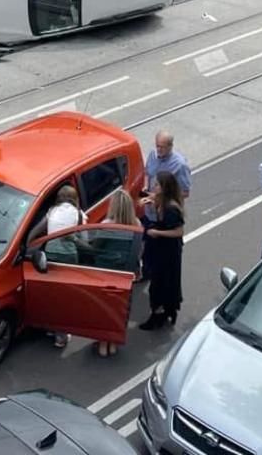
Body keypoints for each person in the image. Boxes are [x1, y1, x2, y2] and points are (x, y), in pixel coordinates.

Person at [29, 184, 86, 348]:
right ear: (75, 199)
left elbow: (36, 230)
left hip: (51, 256)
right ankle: (61, 336)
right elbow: (85, 239)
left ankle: (50, 328)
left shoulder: (52, 211)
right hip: (69, 258)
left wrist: (27, 245)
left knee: (52, 293)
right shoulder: (79, 215)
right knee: (66, 296)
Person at [139, 171, 185, 330]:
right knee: (164, 282)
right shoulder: (163, 201)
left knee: (159, 284)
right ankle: (168, 311)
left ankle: (158, 316)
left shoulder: (171, 208)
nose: (154, 186)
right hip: (164, 249)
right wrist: (150, 201)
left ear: (165, 187)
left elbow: (179, 231)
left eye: (157, 184)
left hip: (168, 252)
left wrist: (157, 233)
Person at [142, 132, 191, 279]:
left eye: (162, 147)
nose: (158, 150)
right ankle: (147, 273)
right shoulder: (152, 155)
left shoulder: (180, 165)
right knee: (148, 247)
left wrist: (158, 197)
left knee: (162, 251)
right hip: (150, 211)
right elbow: (147, 173)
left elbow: (185, 192)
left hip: (164, 216)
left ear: (170, 146)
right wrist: (146, 188)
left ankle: (160, 276)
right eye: (157, 146)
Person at [97, 189, 140, 356]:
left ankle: (102, 343)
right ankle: (113, 342)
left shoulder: (107, 225)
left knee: (103, 308)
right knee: (119, 309)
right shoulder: (136, 224)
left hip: (106, 273)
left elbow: (96, 246)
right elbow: (138, 250)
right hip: (125, 273)